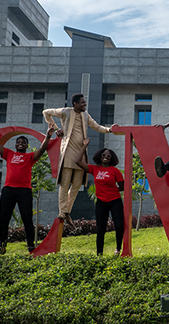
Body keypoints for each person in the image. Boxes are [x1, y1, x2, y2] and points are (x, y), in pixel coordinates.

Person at [0, 114, 54, 254]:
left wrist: (48, 136)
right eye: (18, 141)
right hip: (8, 190)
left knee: (27, 218)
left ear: (27, 146)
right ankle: (2, 247)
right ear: (15, 145)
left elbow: (42, 149)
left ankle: (31, 246)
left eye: (23, 142)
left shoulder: (30, 157)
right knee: (4, 219)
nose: (20, 143)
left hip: (24, 191)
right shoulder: (8, 154)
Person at [42, 93, 117, 227]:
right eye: (82, 103)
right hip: (68, 153)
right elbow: (46, 112)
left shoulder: (85, 115)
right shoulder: (65, 112)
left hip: (81, 156)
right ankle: (62, 212)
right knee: (64, 185)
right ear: (75, 104)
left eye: (85, 102)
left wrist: (110, 129)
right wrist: (55, 128)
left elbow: (97, 127)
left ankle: (66, 212)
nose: (85, 104)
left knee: (76, 186)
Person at [76, 138, 124, 255]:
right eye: (104, 155)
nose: (106, 157)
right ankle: (99, 254)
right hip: (101, 202)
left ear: (111, 158)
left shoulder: (115, 171)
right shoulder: (95, 169)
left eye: (108, 156)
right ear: (100, 156)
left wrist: (111, 190)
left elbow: (122, 187)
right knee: (101, 229)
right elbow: (78, 162)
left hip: (115, 201)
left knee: (119, 225)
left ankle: (118, 248)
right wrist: (84, 146)